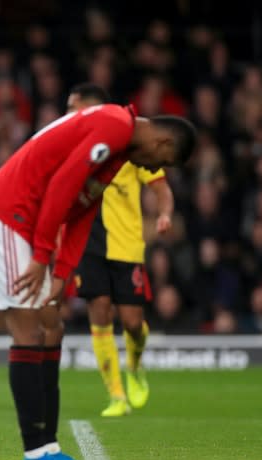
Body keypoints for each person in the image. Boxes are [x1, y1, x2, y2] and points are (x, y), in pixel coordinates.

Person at [0, 99, 195, 460]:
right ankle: (36, 456)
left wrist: (61, 272)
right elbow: (62, 184)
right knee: (29, 330)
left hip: (22, 222)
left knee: (50, 327)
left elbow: (82, 209)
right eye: (163, 163)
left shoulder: (118, 149)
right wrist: (42, 256)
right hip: (5, 215)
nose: (155, 170)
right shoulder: (115, 126)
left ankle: (48, 448)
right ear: (164, 143)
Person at [69, 84, 174, 417]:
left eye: (75, 107)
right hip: (88, 244)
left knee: (131, 323)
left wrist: (165, 213)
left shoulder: (129, 143)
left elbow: (161, 187)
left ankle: (136, 366)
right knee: (99, 313)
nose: (70, 113)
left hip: (126, 244)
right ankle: (116, 396)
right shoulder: (73, 145)